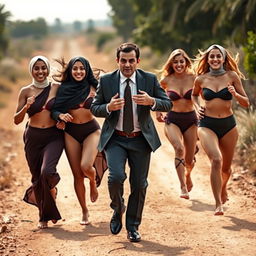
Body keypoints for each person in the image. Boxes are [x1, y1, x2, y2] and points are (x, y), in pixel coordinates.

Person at [91, 42, 171, 242]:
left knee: (139, 184)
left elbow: (168, 103)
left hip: (140, 140)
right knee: (115, 177)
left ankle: (133, 227)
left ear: (138, 61)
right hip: (115, 138)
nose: (127, 65)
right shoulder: (107, 80)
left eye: (131, 61)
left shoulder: (149, 79)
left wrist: (151, 101)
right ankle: (118, 209)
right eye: (123, 61)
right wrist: (108, 106)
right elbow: (94, 107)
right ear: (117, 61)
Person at [192, 44, 249, 215]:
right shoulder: (201, 79)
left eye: (218, 56)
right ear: (207, 59)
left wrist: (235, 93)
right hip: (206, 124)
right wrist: (197, 107)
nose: (215, 59)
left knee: (226, 168)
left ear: (224, 58)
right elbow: (194, 95)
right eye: (212, 57)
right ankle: (218, 203)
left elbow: (246, 102)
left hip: (228, 126)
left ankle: (223, 188)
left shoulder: (232, 76)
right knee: (216, 160)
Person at [51, 56, 107, 225]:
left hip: (91, 130)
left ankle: (92, 181)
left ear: (87, 70)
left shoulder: (96, 86)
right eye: (75, 69)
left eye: (82, 68)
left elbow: (109, 101)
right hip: (71, 133)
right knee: (76, 175)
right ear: (70, 71)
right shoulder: (64, 89)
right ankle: (84, 210)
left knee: (85, 166)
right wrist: (60, 115)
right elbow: (55, 110)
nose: (78, 71)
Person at [14, 56, 64, 229]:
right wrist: (26, 107)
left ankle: (50, 188)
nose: (41, 71)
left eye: (44, 67)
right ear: (31, 70)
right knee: (37, 177)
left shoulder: (56, 88)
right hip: (33, 137)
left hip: (53, 136)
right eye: (36, 68)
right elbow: (16, 120)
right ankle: (43, 216)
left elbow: (68, 103)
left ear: (48, 69)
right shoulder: (25, 91)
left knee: (47, 172)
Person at [156, 49, 198, 200]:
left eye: (181, 61)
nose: (179, 64)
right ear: (171, 63)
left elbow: (202, 96)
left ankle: (188, 174)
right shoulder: (166, 80)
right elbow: (158, 96)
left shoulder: (194, 78)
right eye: (175, 62)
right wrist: (158, 111)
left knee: (189, 160)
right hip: (172, 119)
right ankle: (182, 186)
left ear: (186, 62)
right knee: (179, 148)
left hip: (191, 120)